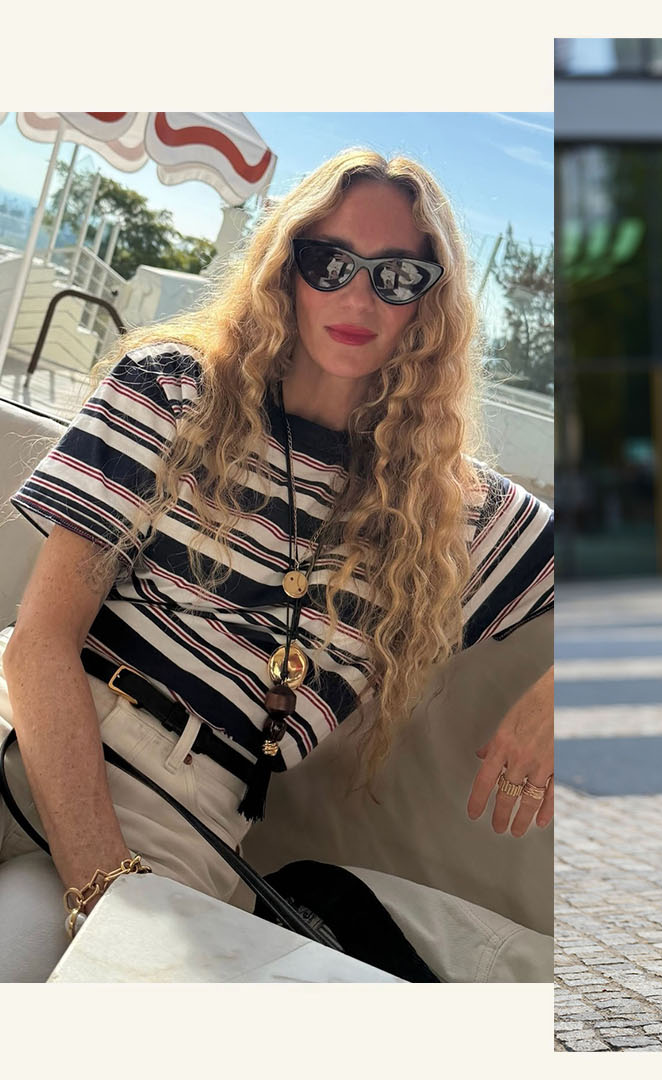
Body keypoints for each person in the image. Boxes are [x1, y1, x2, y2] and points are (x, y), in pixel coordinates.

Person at [0, 149, 555, 981]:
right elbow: (41, 641)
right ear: (285, 267)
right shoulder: (175, 391)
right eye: (329, 262)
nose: (358, 296)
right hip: (36, 717)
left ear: (429, 303)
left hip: (180, 808)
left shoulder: (449, 513)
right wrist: (101, 888)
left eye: (397, 276)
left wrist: (553, 698)